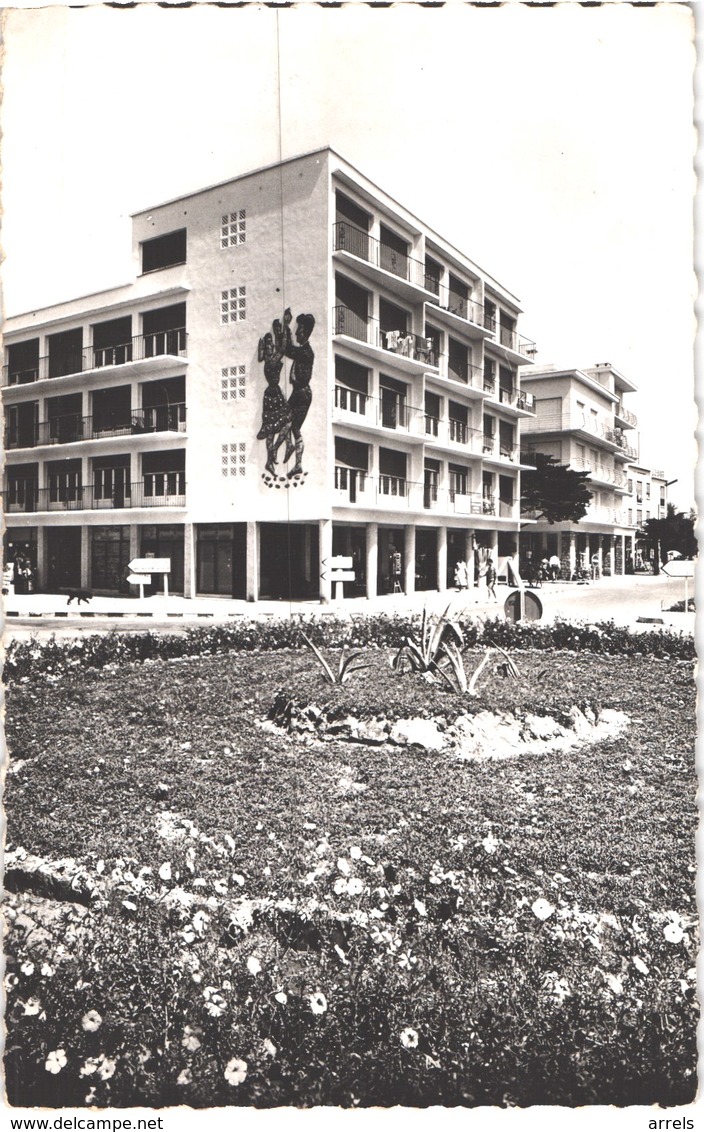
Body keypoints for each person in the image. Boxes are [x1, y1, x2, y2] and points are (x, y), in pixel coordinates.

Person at [275, 309, 315, 478]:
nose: (297, 332)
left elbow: (288, 350)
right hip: (298, 393)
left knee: (294, 426)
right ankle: (281, 450)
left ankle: (297, 463)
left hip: (302, 394)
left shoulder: (306, 352)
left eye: (299, 329)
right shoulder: (303, 351)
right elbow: (287, 348)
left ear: (304, 332)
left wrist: (286, 326)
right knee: (287, 422)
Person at [256, 319, 291, 475]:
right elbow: (282, 348)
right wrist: (285, 326)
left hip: (271, 395)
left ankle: (271, 459)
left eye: (271, 345)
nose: (271, 347)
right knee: (283, 421)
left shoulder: (268, 360)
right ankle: (276, 453)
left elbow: (280, 348)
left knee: (273, 426)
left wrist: (280, 331)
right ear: (266, 348)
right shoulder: (270, 361)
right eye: (269, 345)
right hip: (274, 394)